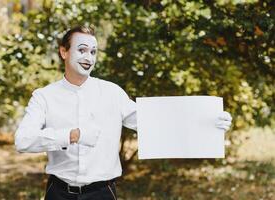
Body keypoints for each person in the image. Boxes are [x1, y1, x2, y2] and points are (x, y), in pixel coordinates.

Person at [15, 25, 232, 200]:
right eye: (81, 50)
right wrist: (73, 135)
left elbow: (154, 121)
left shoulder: (112, 93)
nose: (88, 58)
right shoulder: (44, 96)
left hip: (102, 193)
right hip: (58, 192)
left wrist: (208, 120)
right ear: (64, 52)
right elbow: (23, 140)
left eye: (93, 52)